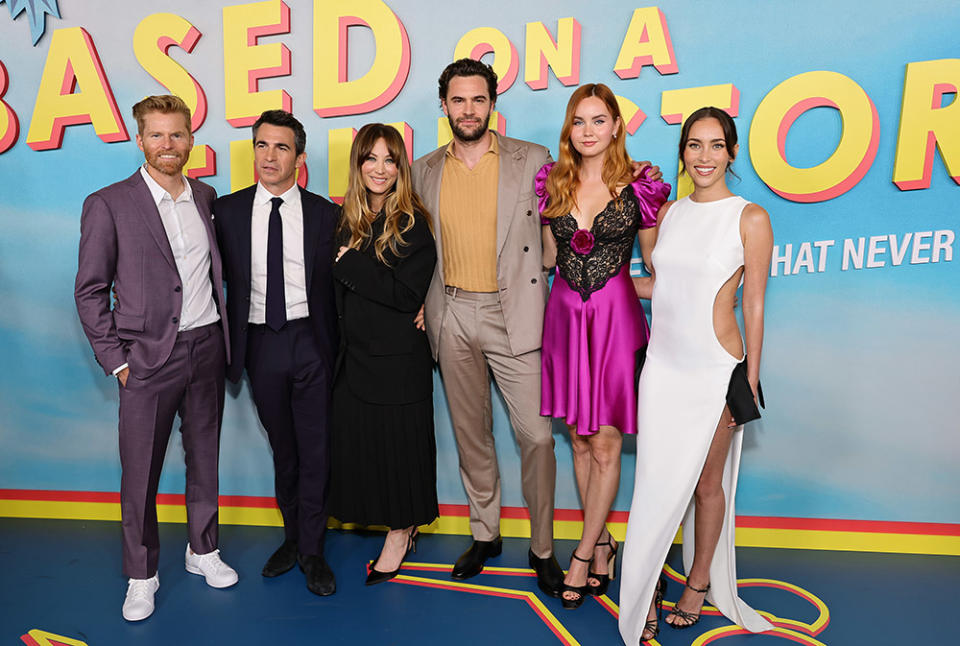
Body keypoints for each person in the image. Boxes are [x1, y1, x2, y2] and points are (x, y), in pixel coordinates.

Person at [74, 95, 237, 621]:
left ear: (192, 139)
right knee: (139, 473)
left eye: (178, 135)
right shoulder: (109, 203)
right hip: (146, 360)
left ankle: (203, 550)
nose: (169, 145)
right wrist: (117, 361)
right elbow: (90, 290)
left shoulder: (207, 196)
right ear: (139, 140)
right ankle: (141, 575)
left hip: (207, 347)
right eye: (157, 135)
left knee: (204, 461)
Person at [618, 107, 775, 644]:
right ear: (682, 153)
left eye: (715, 145)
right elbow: (661, 287)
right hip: (662, 369)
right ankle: (643, 590)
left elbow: (753, 303)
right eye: (693, 145)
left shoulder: (749, 217)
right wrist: (590, 287)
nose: (704, 156)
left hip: (715, 370)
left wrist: (749, 379)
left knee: (708, 484)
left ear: (731, 153)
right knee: (657, 484)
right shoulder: (669, 213)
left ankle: (700, 580)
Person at [537, 83, 670, 609]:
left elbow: (660, 270)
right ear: (569, 130)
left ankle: (583, 552)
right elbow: (549, 258)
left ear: (616, 125)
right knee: (580, 439)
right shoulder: (552, 184)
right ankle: (604, 544)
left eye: (598, 120)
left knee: (608, 441)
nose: (588, 131)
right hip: (565, 320)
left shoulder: (640, 187)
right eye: (578, 121)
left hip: (615, 326)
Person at [214, 110, 339, 596]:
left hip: (312, 342)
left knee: (316, 452)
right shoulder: (225, 212)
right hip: (260, 343)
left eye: (281, 147)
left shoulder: (326, 213)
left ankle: (312, 550)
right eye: (262, 145)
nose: (270, 155)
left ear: (299, 159)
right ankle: (292, 538)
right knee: (284, 452)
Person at [328, 123, 438, 585]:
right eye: (370, 158)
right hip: (354, 360)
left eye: (389, 159)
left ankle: (402, 531)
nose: (379, 168)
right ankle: (390, 523)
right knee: (366, 451)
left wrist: (351, 264)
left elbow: (403, 292)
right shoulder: (345, 221)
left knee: (401, 453)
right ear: (357, 165)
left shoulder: (413, 222)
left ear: (400, 167)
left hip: (398, 362)